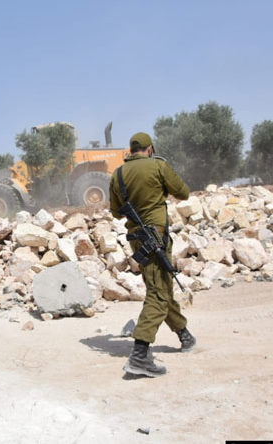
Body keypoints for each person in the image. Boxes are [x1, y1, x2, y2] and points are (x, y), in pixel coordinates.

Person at [109, 132, 195, 377]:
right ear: (150, 148)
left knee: (161, 286)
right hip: (156, 236)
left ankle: (184, 334)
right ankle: (139, 354)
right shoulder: (158, 165)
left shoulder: (118, 174)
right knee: (159, 293)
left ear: (131, 150)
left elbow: (115, 212)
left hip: (137, 240)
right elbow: (184, 193)